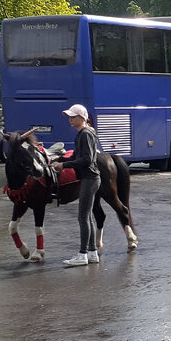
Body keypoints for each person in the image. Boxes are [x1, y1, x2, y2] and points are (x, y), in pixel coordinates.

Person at [52, 103, 100, 266]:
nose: (70, 120)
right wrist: (59, 160)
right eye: (70, 117)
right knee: (87, 216)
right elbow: (77, 157)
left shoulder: (85, 134)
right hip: (90, 178)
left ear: (82, 118)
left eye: (73, 117)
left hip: (89, 178)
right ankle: (92, 253)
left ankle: (82, 255)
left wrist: (63, 166)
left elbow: (86, 160)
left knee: (83, 217)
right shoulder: (84, 133)